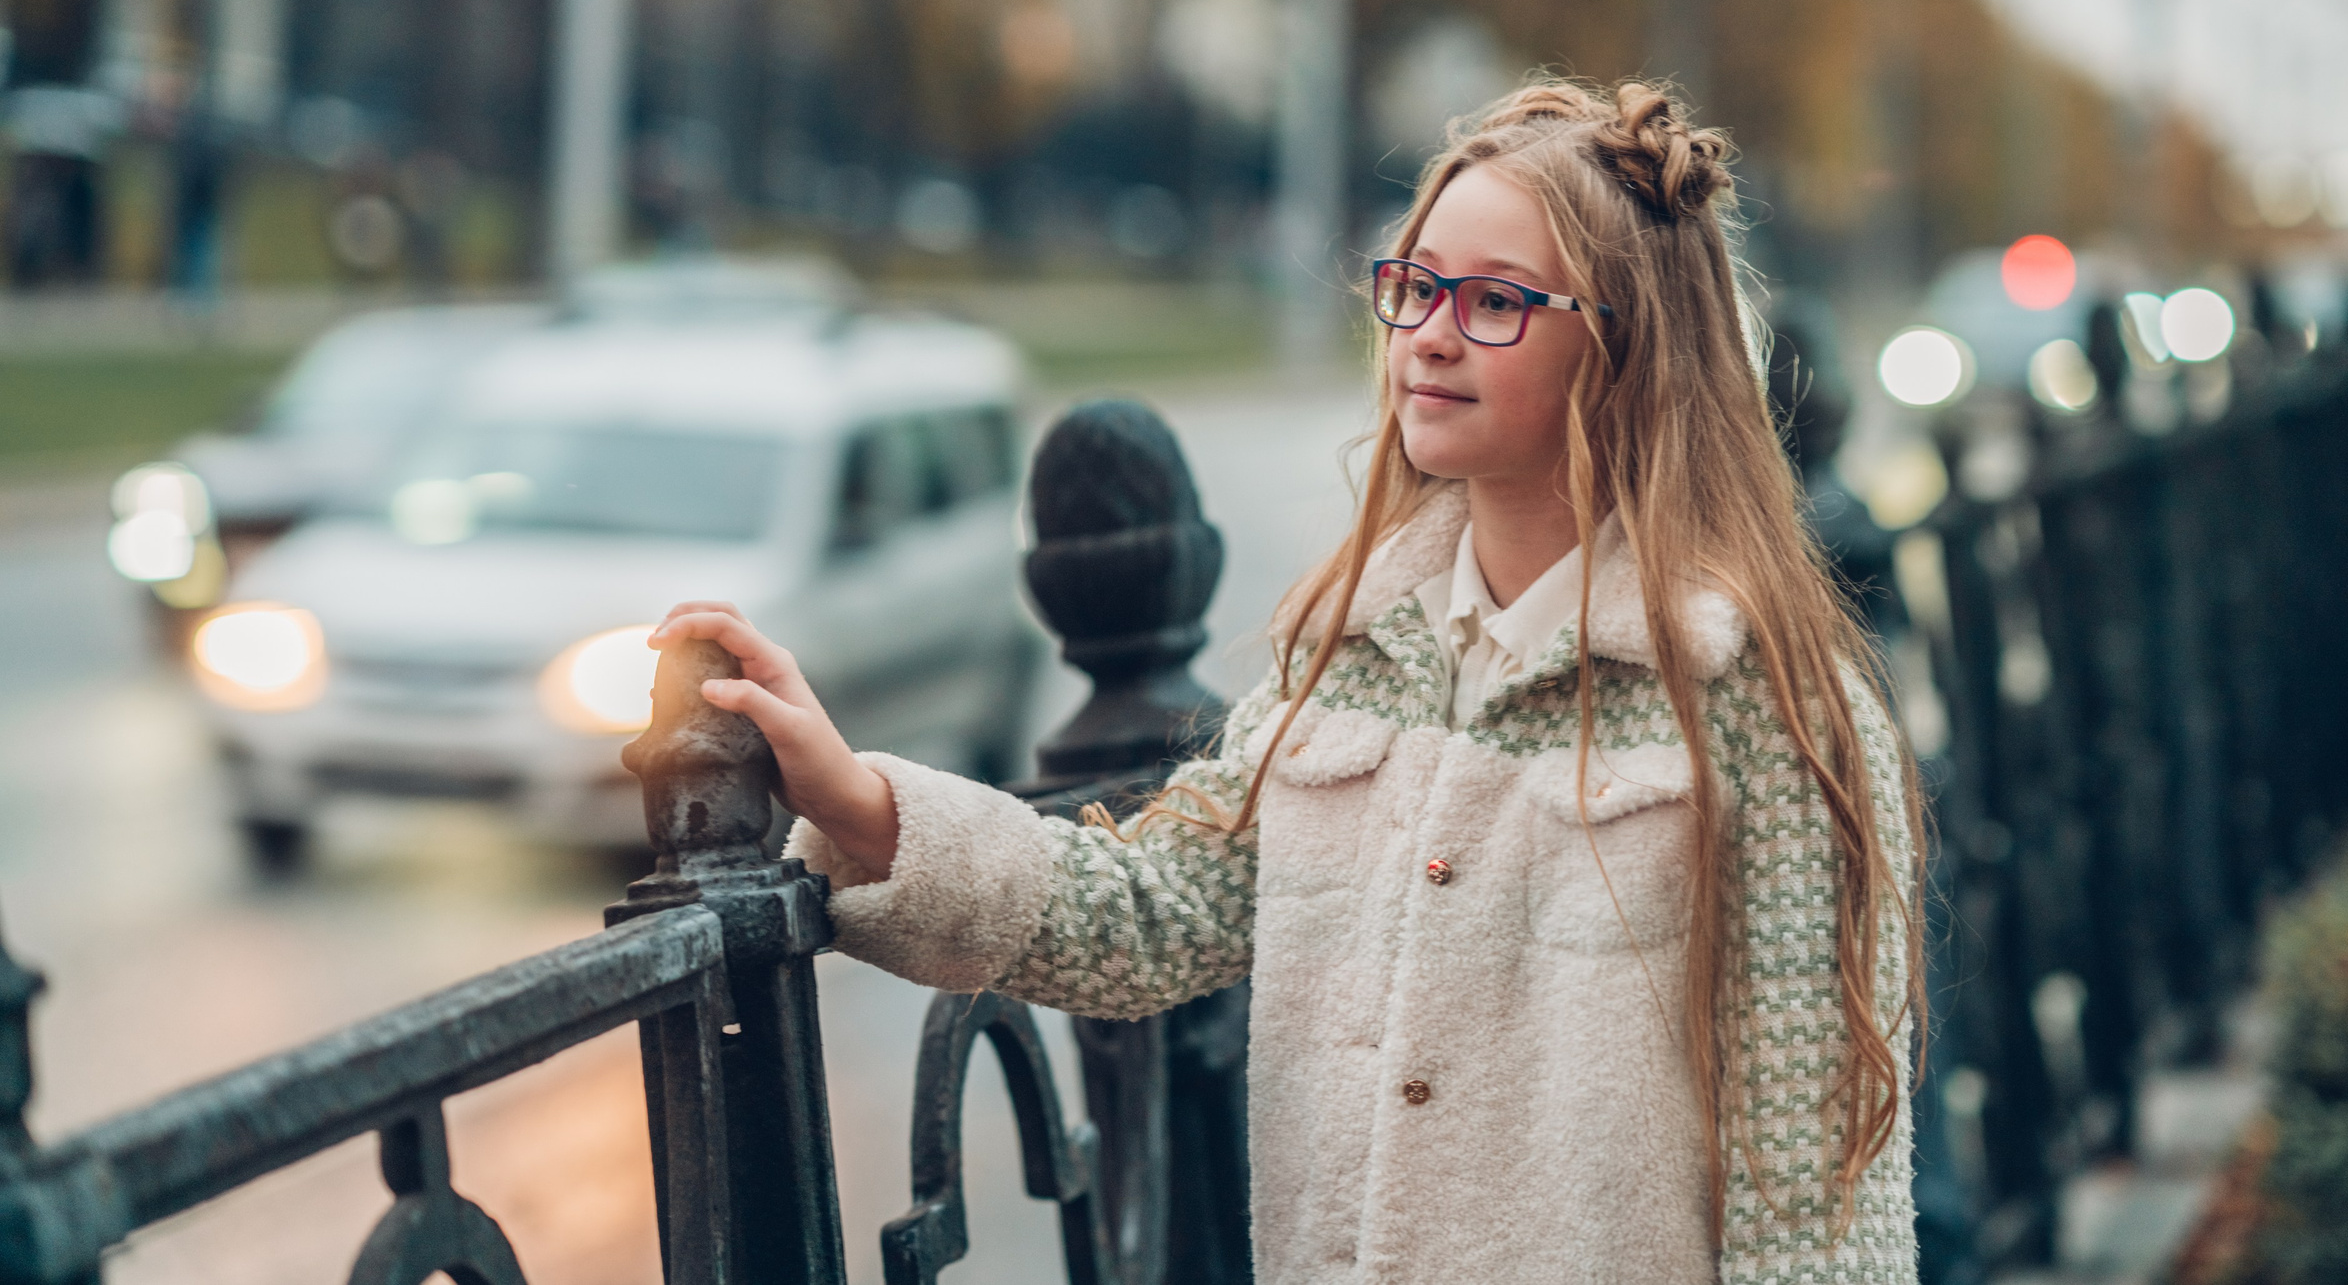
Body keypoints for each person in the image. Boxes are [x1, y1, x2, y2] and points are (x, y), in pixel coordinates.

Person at [655, 80, 1925, 1282]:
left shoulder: (1763, 707)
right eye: (1414, 286)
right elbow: (1151, 914)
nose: (1428, 334)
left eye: (1492, 301)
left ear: (1627, 347)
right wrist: (864, 802)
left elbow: (1814, 1194)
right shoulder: (1362, 654)